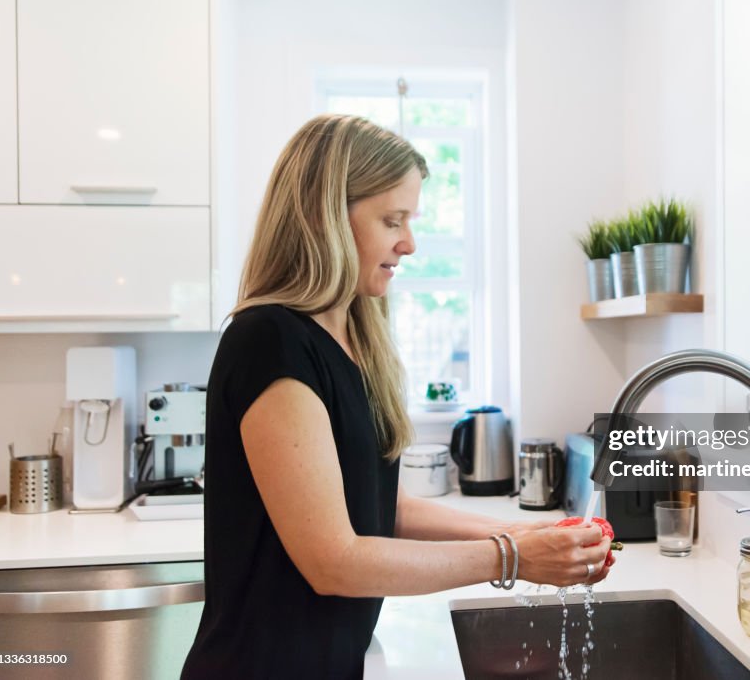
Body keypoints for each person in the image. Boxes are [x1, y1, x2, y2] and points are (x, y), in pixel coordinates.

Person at [180, 114, 612, 679]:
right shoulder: (270, 341)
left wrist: (525, 534)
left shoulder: (351, 337)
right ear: (326, 217)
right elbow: (333, 561)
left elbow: (387, 510)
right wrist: (512, 557)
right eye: (392, 219)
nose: (408, 243)